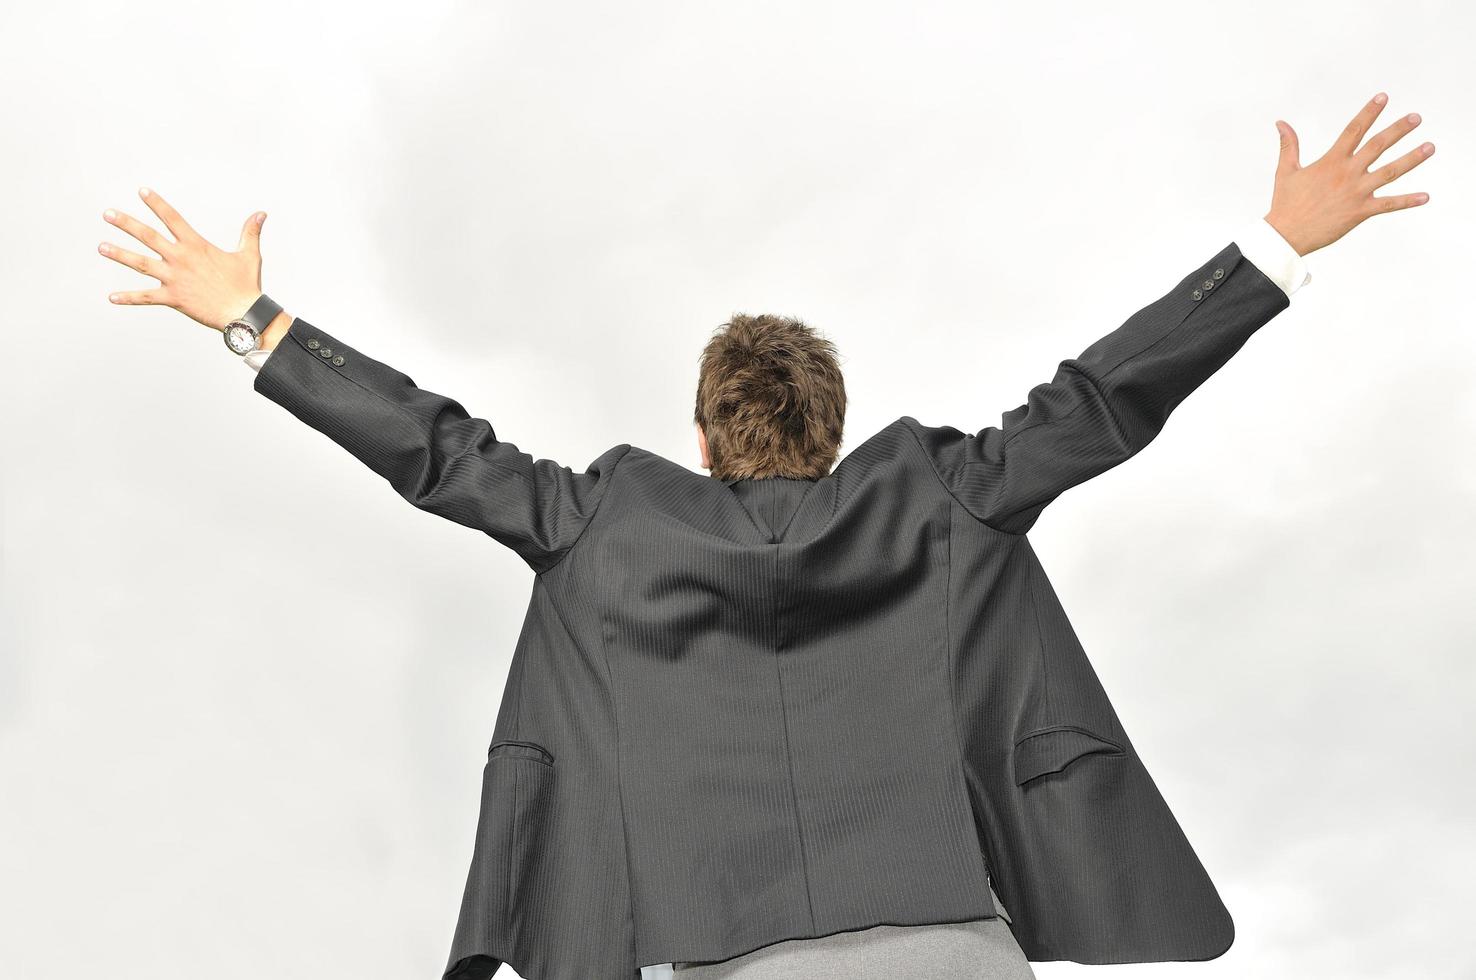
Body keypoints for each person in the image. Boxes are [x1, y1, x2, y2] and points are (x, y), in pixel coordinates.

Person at [100, 92, 1433, 980]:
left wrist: (255, 323)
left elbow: (435, 450)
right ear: (835, 425)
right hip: (957, 950)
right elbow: (1099, 398)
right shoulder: (936, 492)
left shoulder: (606, 520)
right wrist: (1273, 250)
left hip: (732, 956)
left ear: (702, 433)